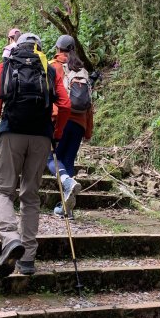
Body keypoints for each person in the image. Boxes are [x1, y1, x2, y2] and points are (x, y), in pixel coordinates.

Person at [0, 32, 71, 278]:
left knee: (2, 191)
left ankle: (10, 238)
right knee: (30, 196)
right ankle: (28, 258)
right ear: (39, 49)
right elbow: (65, 105)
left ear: (17, 47)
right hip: (41, 137)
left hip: (11, 133)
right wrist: (56, 133)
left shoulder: (6, 65)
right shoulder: (49, 71)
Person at [48, 35, 94, 217]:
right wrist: (88, 130)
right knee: (67, 161)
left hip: (61, 118)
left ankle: (67, 182)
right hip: (79, 123)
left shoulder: (54, 66)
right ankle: (66, 209)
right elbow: (90, 105)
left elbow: (50, 96)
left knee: (50, 159)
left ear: (58, 49)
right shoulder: (82, 70)